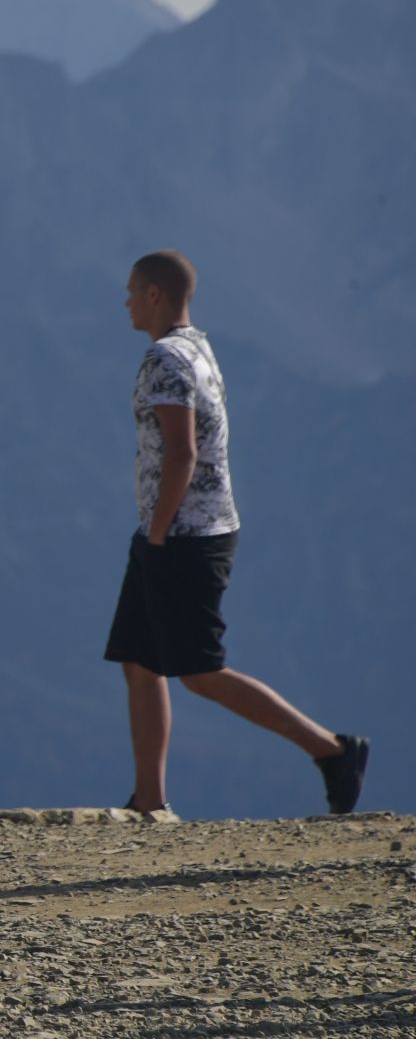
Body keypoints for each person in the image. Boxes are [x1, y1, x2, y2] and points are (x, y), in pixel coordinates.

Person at [106, 250, 368, 816]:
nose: (124, 301)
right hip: (186, 529)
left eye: (131, 290)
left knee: (199, 671)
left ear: (155, 294)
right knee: (140, 659)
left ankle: (330, 750)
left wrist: (155, 536)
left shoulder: (163, 361)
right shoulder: (198, 347)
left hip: (180, 536)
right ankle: (149, 800)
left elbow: (182, 452)